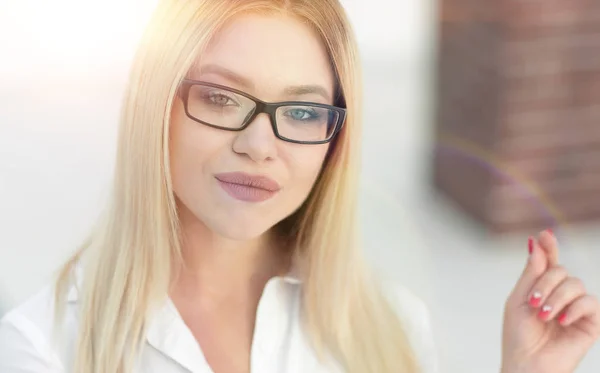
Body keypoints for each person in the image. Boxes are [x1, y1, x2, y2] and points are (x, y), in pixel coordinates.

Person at [0, 1, 598, 372]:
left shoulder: (388, 328)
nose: (261, 145)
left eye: (305, 113)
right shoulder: (42, 347)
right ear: (155, 107)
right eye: (221, 97)